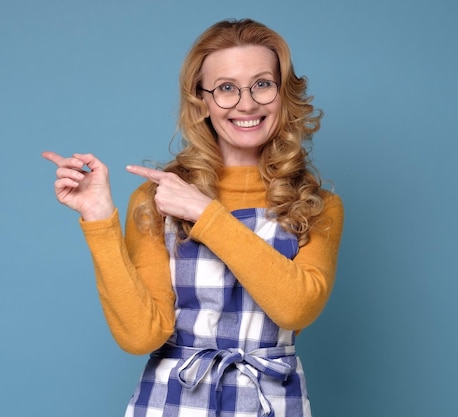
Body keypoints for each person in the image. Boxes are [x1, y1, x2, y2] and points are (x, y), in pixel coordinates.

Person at [43, 18, 344, 417]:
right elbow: (141, 335)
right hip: (172, 401)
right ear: (201, 99)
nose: (247, 103)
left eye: (262, 84)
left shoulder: (316, 204)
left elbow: (295, 308)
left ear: (283, 94)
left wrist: (206, 213)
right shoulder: (155, 199)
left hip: (272, 401)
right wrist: (99, 219)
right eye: (226, 89)